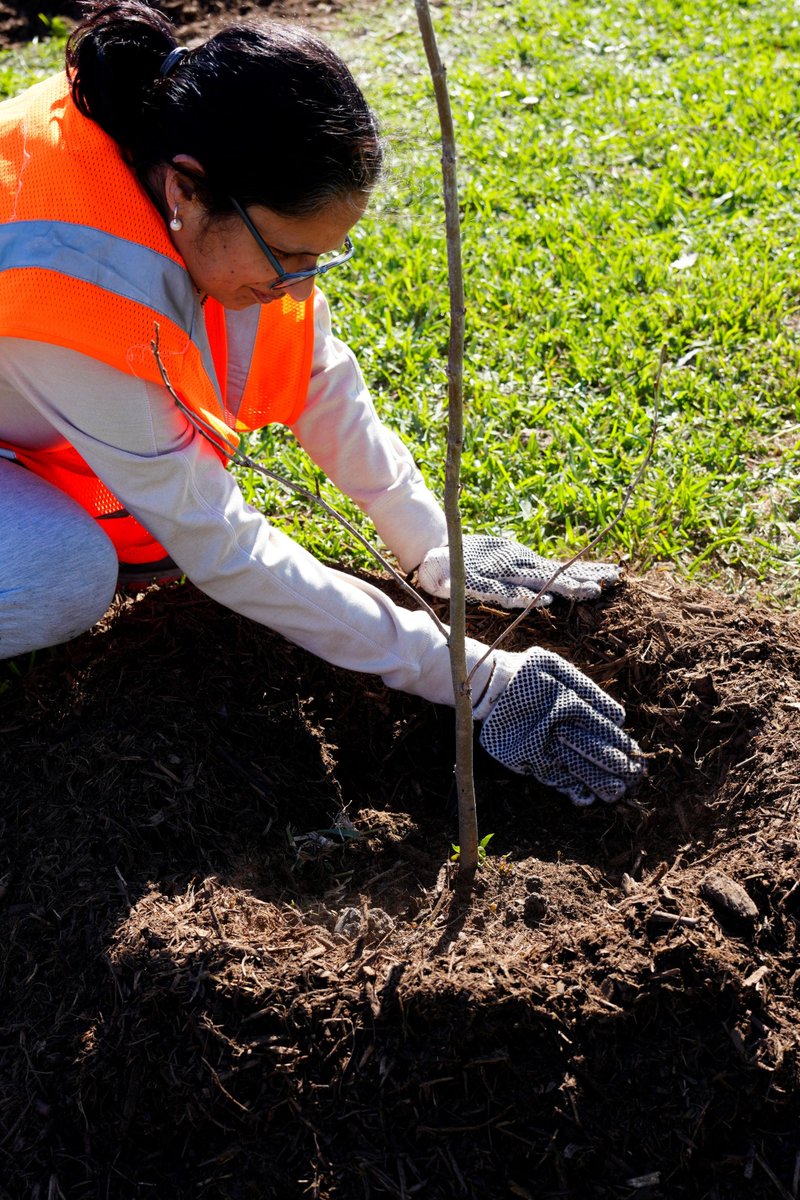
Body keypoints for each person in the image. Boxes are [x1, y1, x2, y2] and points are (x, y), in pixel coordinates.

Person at [0, 0, 644, 807]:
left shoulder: (176, 172)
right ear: (186, 187)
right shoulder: (77, 282)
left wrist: (429, 541)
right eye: (288, 255)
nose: (298, 288)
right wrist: (470, 677)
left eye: (318, 260)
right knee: (60, 576)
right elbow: (222, 544)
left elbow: (312, 372)